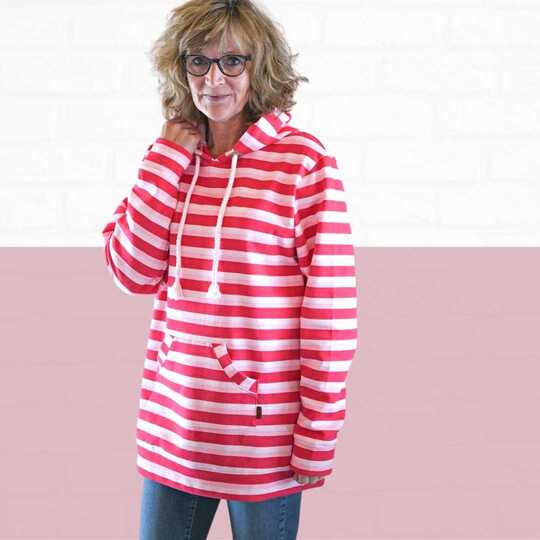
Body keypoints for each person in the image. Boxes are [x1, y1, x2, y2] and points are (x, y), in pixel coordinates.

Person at [101, 0, 358, 538]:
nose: (213, 78)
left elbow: (330, 314)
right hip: (175, 430)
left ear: (259, 68)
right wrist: (166, 157)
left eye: (232, 61)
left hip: (265, 440)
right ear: (180, 67)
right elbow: (131, 272)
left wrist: (317, 434)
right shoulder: (171, 158)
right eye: (199, 61)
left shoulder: (303, 163)